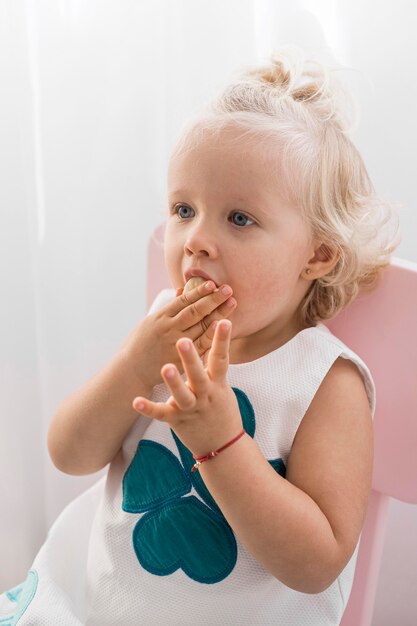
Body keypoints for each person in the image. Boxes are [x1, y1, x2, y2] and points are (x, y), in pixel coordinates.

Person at [0, 46, 400, 625]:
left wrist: (221, 444)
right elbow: (69, 453)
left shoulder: (323, 380)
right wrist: (133, 367)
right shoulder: (163, 331)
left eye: (239, 218)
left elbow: (318, 566)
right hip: (92, 609)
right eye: (184, 209)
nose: (196, 240)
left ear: (315, 254)